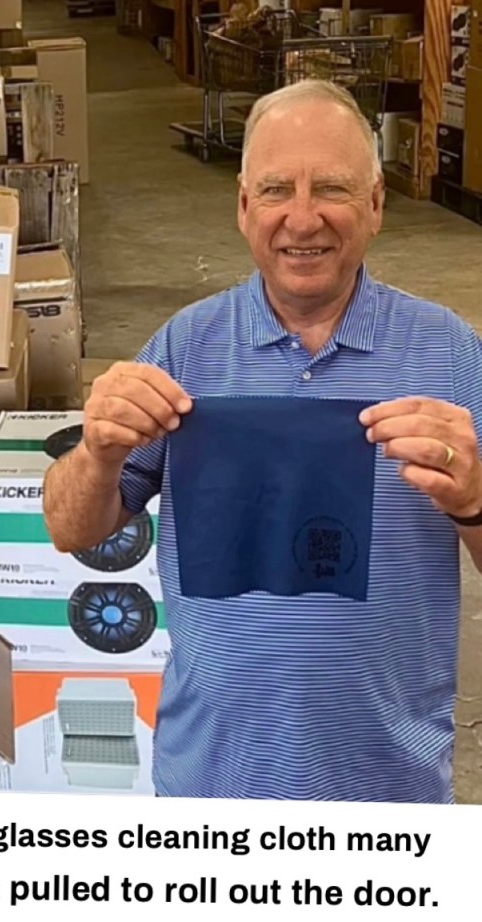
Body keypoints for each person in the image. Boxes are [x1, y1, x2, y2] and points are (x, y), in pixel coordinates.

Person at [42, 79, 482, 803]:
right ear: (245, 208)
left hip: (388, 796)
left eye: (332, 188)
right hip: (211, 788)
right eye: (277, 189)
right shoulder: (184, 349)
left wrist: (474, 498)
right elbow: (70, 527)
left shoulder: (450, 355)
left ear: (376, 205)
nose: (302, 218)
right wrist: (98, 453)